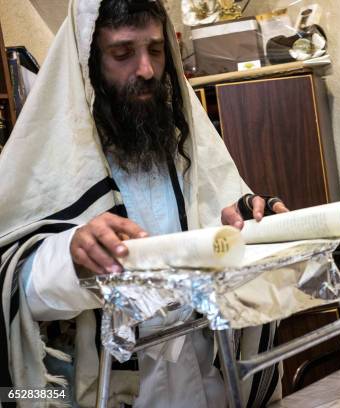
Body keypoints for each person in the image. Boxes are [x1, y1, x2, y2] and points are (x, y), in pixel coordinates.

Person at [0, 0, 286, 406]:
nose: (147, 70)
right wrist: (72, 255)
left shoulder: (184, 142)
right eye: (122, 54)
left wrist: (241, 221)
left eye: (155, 50)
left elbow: (213, 229)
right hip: (112, 387)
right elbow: (15, 283)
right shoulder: (49, 160)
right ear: (89, 61)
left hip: (206, 380)